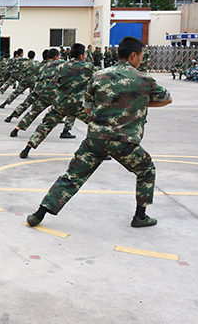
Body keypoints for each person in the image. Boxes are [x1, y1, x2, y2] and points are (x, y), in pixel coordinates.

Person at [26, 36, 172, 229]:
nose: (142, 59)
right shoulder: (144, 79)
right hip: (124, 141)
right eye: (141, 55)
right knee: (146, 170)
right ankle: (140, 216)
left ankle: (39, 214)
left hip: (96, 139)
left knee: (72, 177)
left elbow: (87, 108)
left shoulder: (99, 76)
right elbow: (167, 99)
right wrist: (137, 103)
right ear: (133, 55)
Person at [19, 43, 96, 158]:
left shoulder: (61, 67)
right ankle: (101, 151)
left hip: (60, 104)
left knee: (45, 126)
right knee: (96, 124)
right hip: (78, 106)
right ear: (81, 55)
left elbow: (55, 82)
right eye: (85, 54)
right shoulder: (88, 67)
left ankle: (27, 148)